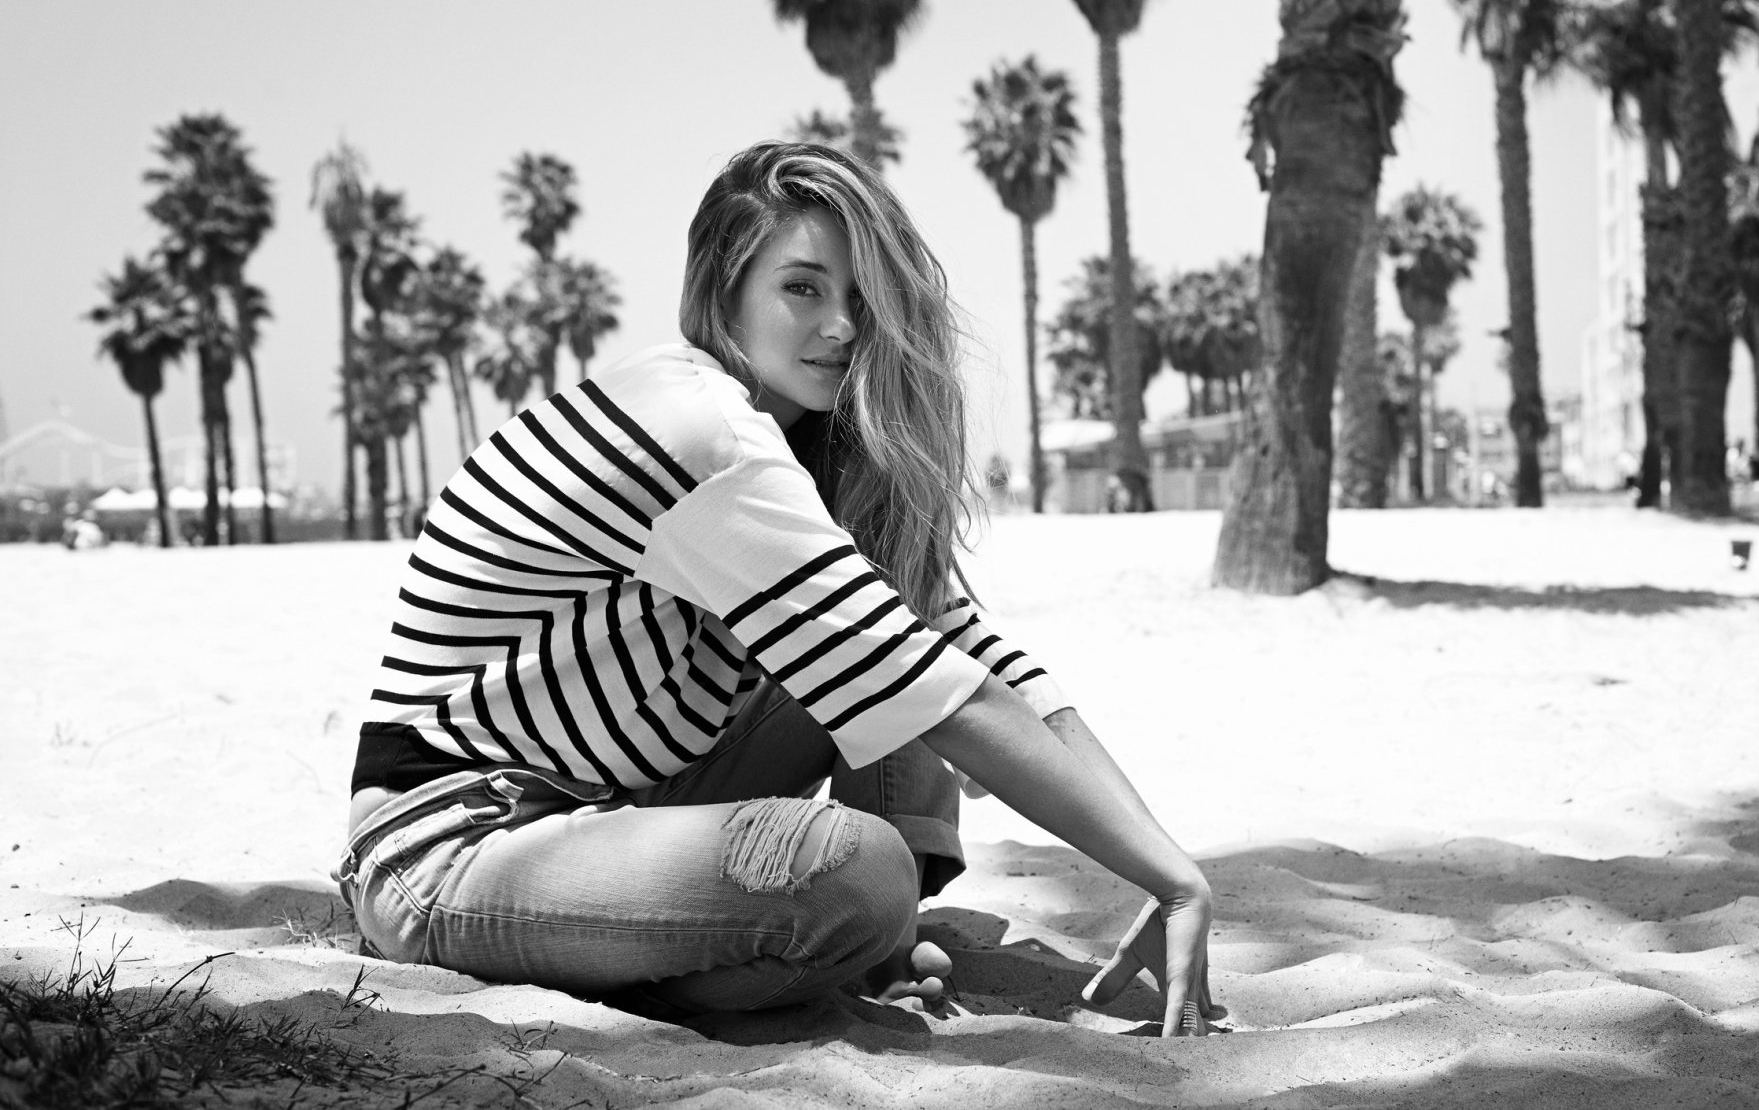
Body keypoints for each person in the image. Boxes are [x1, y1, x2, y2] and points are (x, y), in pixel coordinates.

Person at [333, 142, 1215, 1036]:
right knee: (860, 864)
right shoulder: (698, 428)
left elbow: (976, 661)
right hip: (453, 847)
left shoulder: (801, 449)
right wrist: (1170, 882)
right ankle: (847, 940)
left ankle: (864, 944)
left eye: (861, 297)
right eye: (803, 288)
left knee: (904, 649)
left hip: (617, 803)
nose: (841, 326)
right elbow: (955, 702)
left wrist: (1168, 868)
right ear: (725, 292)